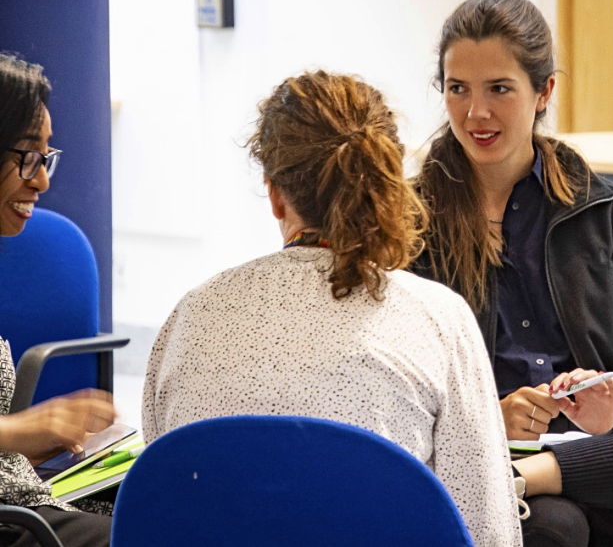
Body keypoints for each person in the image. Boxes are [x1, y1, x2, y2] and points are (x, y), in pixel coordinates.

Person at [141, 71, 521, 547]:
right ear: (386, 184)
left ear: (276, 195)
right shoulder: (438, 318)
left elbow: (162, 503)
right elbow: (486, 529)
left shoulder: (191, 315)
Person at [412, 0, 613, 546]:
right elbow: (400, 392)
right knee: (556, 526)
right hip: (486, 465)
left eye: (499, 89)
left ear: (544, 92)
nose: (476, 113)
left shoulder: (605, 210)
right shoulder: (410, 221)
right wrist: (491, 417)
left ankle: (581, 479)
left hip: (600, 451)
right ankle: (560, 487)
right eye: (457, 89)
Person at [0, 52, 116, 547]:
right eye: (28, 156)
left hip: (22, 497)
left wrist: (32, 443)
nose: (42, 179)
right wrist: (20, 430)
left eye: (46, 157)